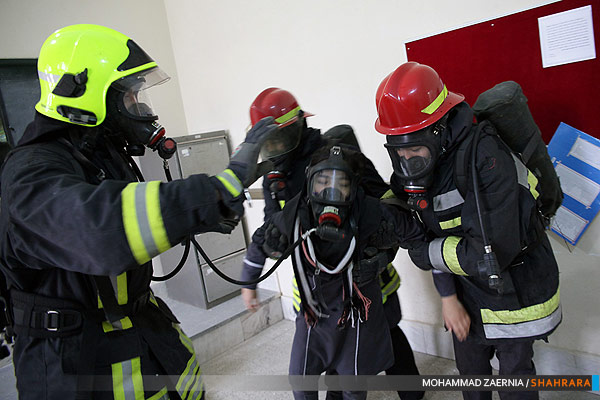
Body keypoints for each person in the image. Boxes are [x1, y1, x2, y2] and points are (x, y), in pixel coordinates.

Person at [0, 24, 276, 400]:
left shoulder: (96, 152)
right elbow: (101, 229)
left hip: (144, 331)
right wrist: (215, 191)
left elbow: (135, 216)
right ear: (88, 94)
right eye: (131, 95)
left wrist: (203, 215)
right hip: (75, 364)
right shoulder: (31, 170)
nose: (140, 107)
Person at [374, 61, 562, 400]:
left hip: (513, 290)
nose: (407, 160)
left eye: (414, 148)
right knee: (472, 375)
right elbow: (404, 202)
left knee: (514, 379)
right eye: (398, 150)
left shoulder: (486, 159)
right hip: (467, 293)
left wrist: (423, 252)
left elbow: (488, 251)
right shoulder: (424, 158)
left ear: (438, 128)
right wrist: (448, 298)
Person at [240, 88, 424, 399]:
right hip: (315, 286)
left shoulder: (339, 159)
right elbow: (272, 227)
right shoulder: (273, 178)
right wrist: (255, 270)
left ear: (299, 126)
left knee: (388, 334)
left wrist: (380, 255)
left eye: (279, 140)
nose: (275, 150)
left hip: (366, 278)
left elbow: (388, 208)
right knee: (329, 352)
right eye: (268, 143)